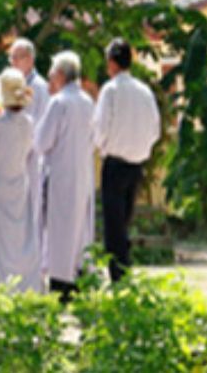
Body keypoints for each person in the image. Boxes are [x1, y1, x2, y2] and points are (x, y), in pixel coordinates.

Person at [92, 37, 161, 283]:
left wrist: (102, 147)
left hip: (115, 162)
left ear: (111, 63)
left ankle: (119, 274)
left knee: (114, 225)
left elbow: (100, 128)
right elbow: (155, 129)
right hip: (136, 163)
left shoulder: (110, 90)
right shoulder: (144, 91)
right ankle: (124, 269)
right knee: (125, 219)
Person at [0, 69, 41, 292]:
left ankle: (1, 283)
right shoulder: (28, 123)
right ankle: (24, 282)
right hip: (19, 183)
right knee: (20, 236)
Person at [36, 50, 95, 300]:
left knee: (60, 229)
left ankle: (61, 284)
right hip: (82, 172)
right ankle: (79, 279)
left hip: (60, 174)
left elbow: (41, 141)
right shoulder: (87, 101)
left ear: (60, 75)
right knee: (79, 229)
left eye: (52, 75)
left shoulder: (58, 102)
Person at [9, 38, 51, 240]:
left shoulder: (40, 87)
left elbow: (41, 123)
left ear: (29, 59)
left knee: (32, 209)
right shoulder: (15, 86)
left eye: (17, 58)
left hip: (32, 157)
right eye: (11, 58)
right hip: (14, 157)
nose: (13, 63)